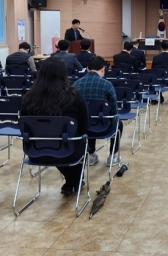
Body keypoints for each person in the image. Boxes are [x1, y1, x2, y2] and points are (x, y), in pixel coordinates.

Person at [21, 57, 90, 195]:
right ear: (64, 74)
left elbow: (23, 126)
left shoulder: (28, 98)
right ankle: (74, 181)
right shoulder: (74, 96)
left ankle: (72, 182)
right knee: (74, 141)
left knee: (55, 142)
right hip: (68, 152)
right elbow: (84, 126)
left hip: (36, 152)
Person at [72, 56, 122, 166]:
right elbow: (114, 111)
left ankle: (90, 155)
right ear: (103, 69)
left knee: (88, 118)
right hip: (104, 127)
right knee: (119, 123)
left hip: (82, 128)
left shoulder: (75, 84)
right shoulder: (107, 85)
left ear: (87, 69)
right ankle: (112, 156)